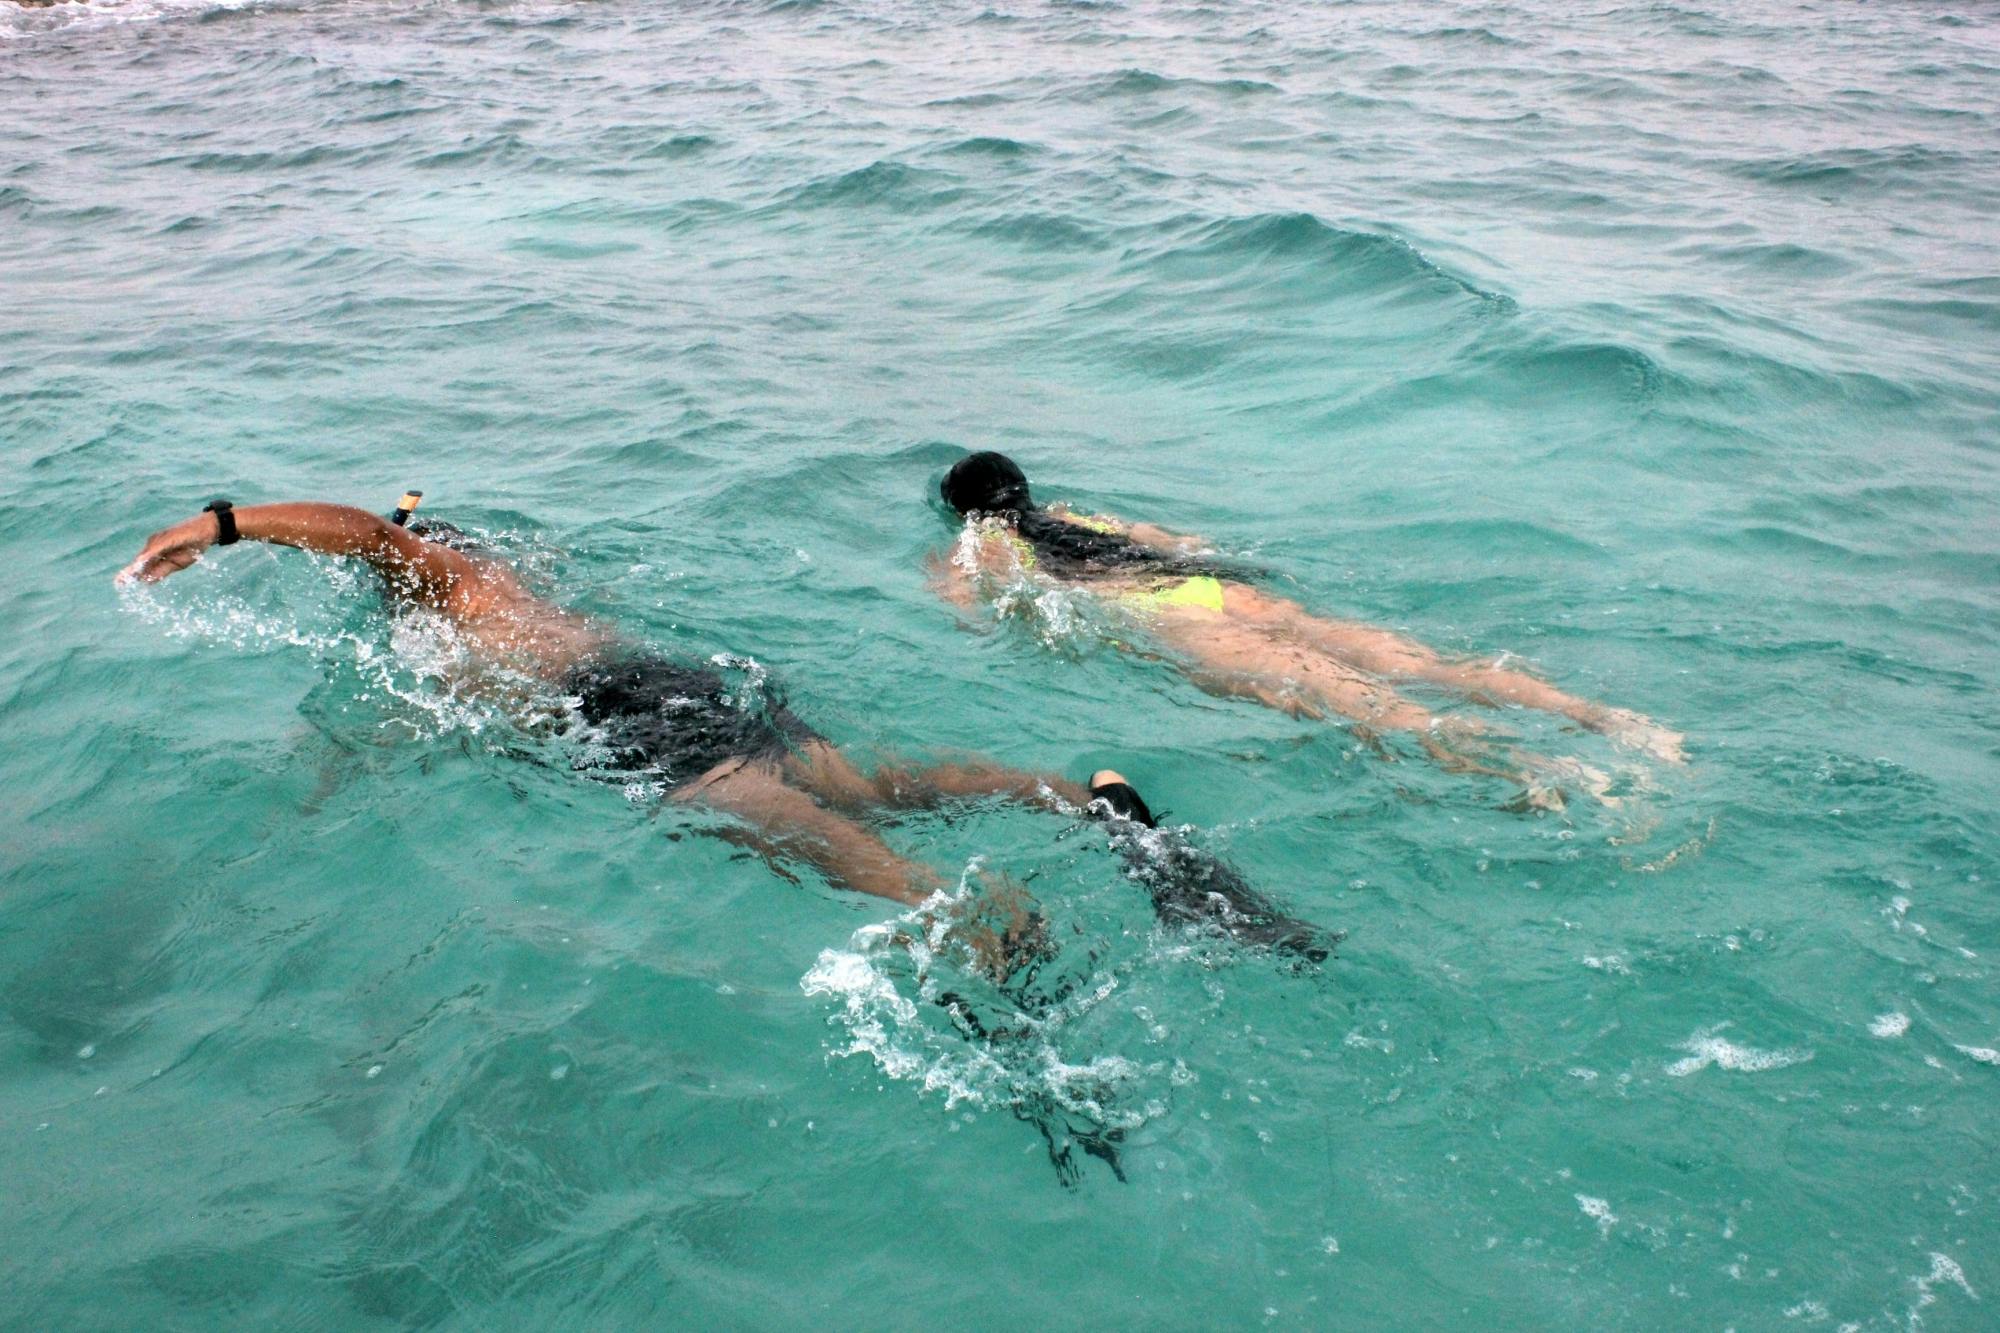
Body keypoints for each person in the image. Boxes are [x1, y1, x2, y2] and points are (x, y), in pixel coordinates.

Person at [117, 497, 1332, 965]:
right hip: (687, 681)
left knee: (761, 820)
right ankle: (1084, 796)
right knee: (870, 780)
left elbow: (372, 538)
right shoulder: (516, 594)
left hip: (632, 717)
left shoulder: (442, 588)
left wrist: (225, 525)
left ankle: (963, 913)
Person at [932, 452, 1685, 800]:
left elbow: (973, 613)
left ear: (967, 509)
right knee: (1420, 663)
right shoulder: (1081, 515)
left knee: (1365, 704)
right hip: (1212, 588)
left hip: (1168, 615)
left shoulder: (987, 540)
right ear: (1028, 487)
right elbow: (1179, 544)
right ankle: (1603, 719)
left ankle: (1548, 774)